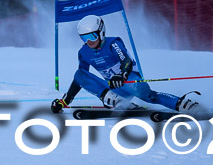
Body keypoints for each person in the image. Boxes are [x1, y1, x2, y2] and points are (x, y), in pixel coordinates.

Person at [51, 14, 200, 114]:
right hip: (113, 89)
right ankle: (116, 100)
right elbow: (81, 78)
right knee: (79, 74)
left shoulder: (113, 43)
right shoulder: (84, 52)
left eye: (92, 36)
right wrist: (65, 101)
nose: (89, 41)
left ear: (101, 32)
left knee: (149, 96)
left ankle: (180, 103)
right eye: (84, 38)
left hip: (130, 81)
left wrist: (121, 75)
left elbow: (126, 61)